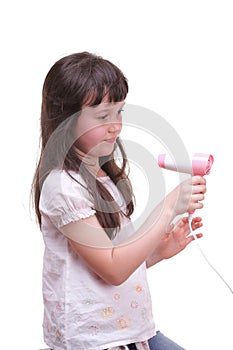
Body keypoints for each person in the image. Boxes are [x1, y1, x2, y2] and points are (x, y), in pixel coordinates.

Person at [32, 52, 206, 350]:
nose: (116, 126)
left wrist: (158, 252)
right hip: (93, 341)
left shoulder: (103, 177)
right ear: (65, 118)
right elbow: (113, 270)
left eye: (119, 112)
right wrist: (167, 208)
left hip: (130, 333)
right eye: (102, 116)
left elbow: (110, 262)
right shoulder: (63, 187)